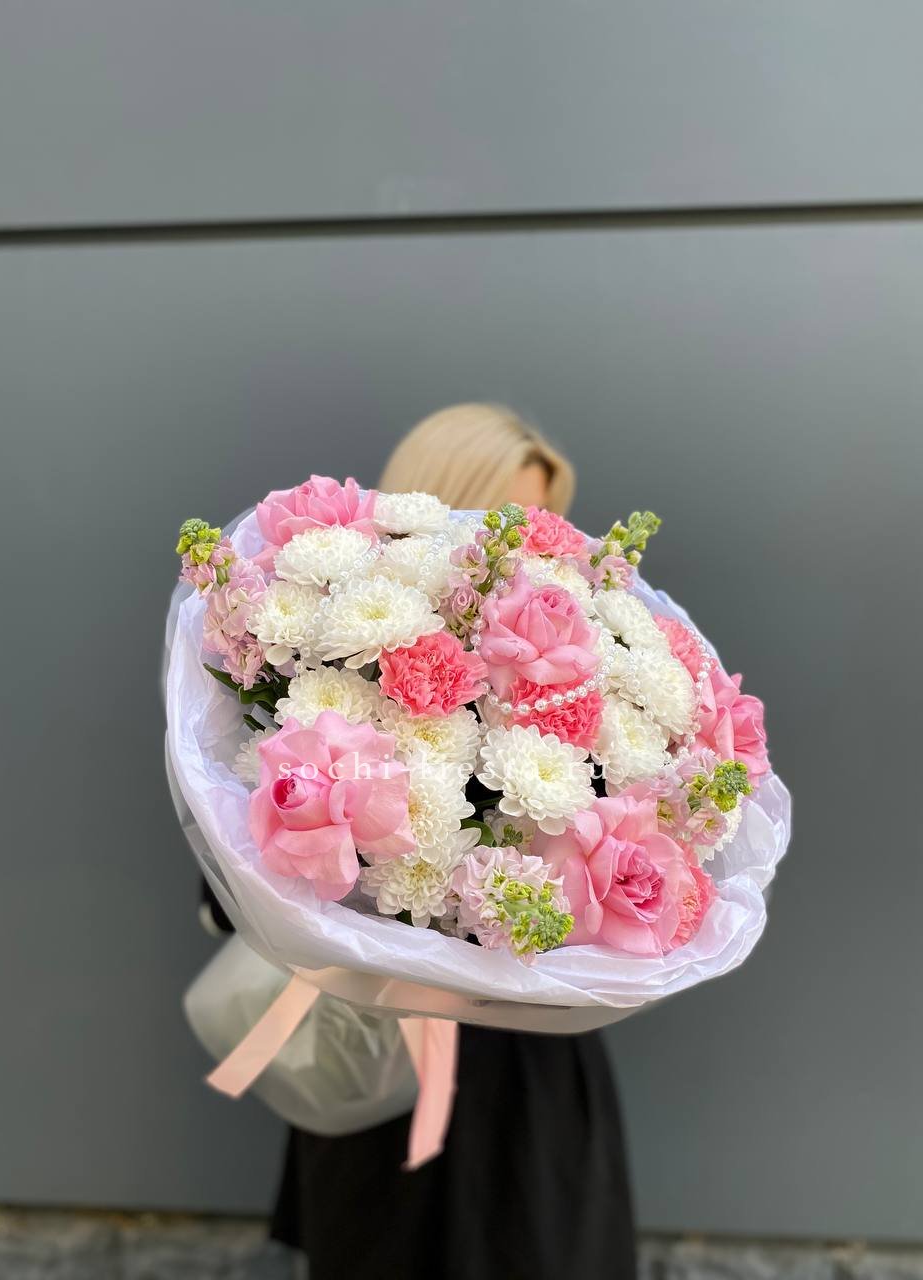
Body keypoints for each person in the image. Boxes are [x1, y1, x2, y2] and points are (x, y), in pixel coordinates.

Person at [263, 403, 638, 1280]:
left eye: (544, 523)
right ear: (440, 506)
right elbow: (238, 878)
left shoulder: (586, 683)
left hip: (531, 1075)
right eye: (507, 517)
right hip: (383, 1067)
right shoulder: (326, 669)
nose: (531, 547)